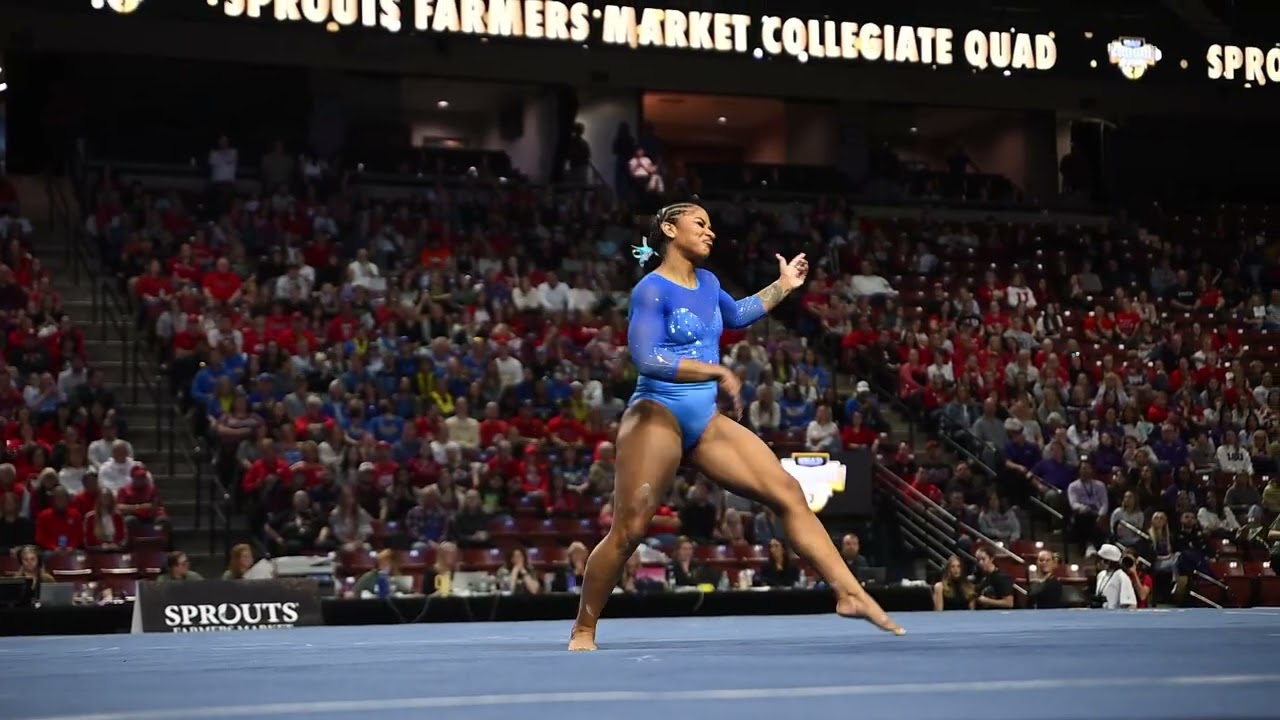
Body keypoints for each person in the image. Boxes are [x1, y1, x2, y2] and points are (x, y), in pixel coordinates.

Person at [568, 203, 903, 651]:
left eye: (711, 225)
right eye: (699, 224)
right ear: (669, 229)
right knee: (629, 531)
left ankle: (848, 592)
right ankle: (584, 627)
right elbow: (647, 359)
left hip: (703, 419)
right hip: (656, 412)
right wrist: (716, 373)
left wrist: (783, 286)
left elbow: (739, 314)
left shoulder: (708, 283)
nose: (710, 232)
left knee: (787, 492)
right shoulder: (651, 289)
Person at [1093, 543, 1137, 609]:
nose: (1098, 562)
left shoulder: (1122, 577)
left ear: (1110, 562)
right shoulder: (1101, 575)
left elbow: (1130, 605)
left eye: (1103, 560)